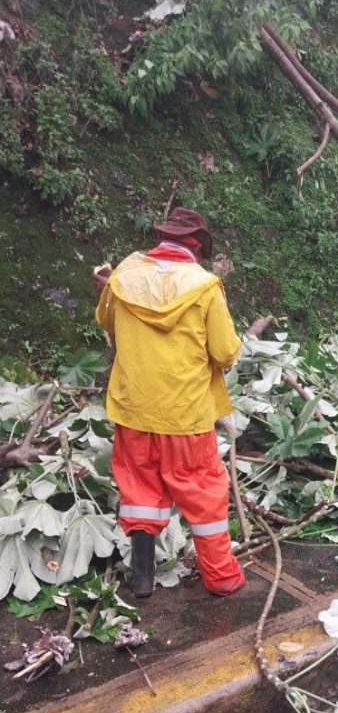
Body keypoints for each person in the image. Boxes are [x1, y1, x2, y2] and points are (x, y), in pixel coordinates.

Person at [94, 207, 246, 599]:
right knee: (203, 494)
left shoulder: (122, 279)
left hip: (134, 411)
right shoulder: (205, 286)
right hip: (186, 416)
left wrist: (109, 291)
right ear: (194, 246)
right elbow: (226, 353)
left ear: (162, 239)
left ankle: (142, 579)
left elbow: (109, 325)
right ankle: (222, 579)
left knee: (141, 490)